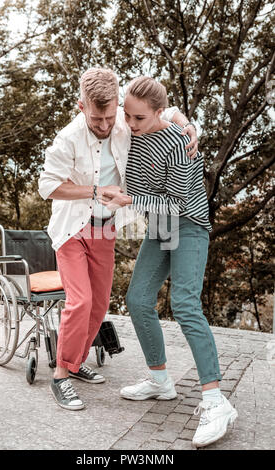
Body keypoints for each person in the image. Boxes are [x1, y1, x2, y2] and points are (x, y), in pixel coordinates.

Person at [38, 67, 198, 411]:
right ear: (81, 106)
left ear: (117, 106)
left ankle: (78, 360)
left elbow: (164, 110)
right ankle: (61, 376)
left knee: (98, 305)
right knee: (79, 301)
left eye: (111, 116)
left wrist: (187, 125)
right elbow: (47, 186)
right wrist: (94, 190)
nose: (105, 125)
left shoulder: (124, 121)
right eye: (97, 119)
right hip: (71, 229)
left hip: (105, 228)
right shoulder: (68, 138)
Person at [100, 76, 238, 448]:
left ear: (159, 113)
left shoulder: (179, 144)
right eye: (127, 115)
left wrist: (129, 202)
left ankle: (215, 401)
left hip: (188, 224)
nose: (130, 124)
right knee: (139, 300)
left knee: (185, 305)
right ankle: (160, 381)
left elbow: (176, 204)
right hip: (159, 227)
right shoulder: (130, 130)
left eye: (139, 118)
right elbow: (106, 114)